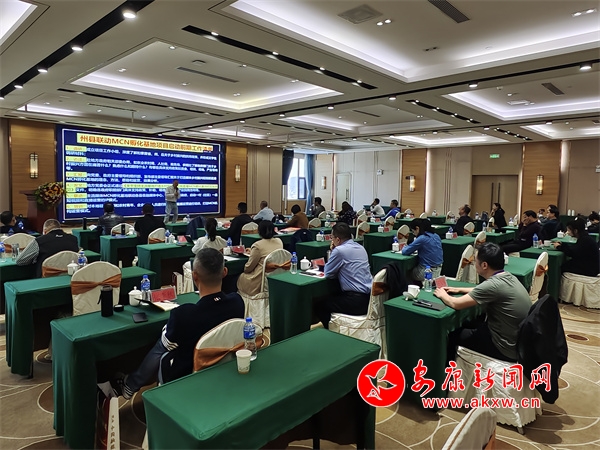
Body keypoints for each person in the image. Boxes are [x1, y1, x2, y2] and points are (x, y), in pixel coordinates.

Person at [112, 248, 245, 399]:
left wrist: (168, 326)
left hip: (186, 375)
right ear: (225, 272)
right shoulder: (237, 302)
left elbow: (166, 343)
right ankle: (131, 384)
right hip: (226, 368)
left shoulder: (183, 314)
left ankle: (131, 384)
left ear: (194, 275)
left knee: (162, 345)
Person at [434, 242, 531, 362]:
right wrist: (459, 289)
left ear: (484, 265)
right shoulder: (507, 276)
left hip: (504, 347)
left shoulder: (493, 285)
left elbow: (456, 304)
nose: (474, 263)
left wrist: (442, 294)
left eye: (475, 261)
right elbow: (485, 290)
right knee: (471, 322)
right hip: (517, 342)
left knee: (452, 335)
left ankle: (448, 371)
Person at [315, 223, 372, 329]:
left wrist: (333, 251)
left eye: (332, 238)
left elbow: (328, 272)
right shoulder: (361, 247)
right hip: (369, 299)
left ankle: (331, 331)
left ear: (337, 239)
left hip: (355, 301)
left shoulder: (339, 250)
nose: (332, 240)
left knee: (320, 304)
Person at [237, 221, 283, 296]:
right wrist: (253, 252)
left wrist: (253, 253)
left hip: (258, 281)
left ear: (259, 231)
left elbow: (248, 268)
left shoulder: (257, 245)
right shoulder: (279, 241)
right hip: (275, 278)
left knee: (237, 277)